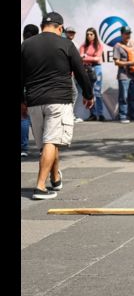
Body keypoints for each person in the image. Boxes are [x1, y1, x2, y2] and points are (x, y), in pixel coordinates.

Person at [21, 12, 94, 200]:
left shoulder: (26, 45)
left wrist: (22, 101)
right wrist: (88, 94)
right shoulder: (66, 44)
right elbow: (80, 72)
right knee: (52, 141)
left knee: (48, 142)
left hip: (35, 102)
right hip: (58, 99)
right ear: (60, 28)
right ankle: (40, 187)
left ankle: (55, 178)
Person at [113, 25, 134, 123]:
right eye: (126, 33)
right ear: (122, 34)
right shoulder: (117, 46)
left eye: (129, 33)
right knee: (124, 96)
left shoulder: (133, 43)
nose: (128, 35)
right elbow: (116, 62)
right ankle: (123, 116)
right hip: (123, 75)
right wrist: (130, 63)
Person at [21, 24, 39, 157]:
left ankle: (24, 148)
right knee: (39, 119)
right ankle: (44, 148)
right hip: (39, 89)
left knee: (24, 118)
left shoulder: (22, 48)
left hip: (25, 88)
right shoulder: (41, 50)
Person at [79, 27, 104, 121]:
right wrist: (90, 57)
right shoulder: (83, 45)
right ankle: (93, 114)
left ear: (95, 35)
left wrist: (86, 56)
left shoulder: (98, 45)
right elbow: (81, 57)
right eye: (87, 34)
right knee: (90, 91)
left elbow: (97, 59)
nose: (89, 36)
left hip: (96, 68)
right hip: (87, 69)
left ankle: (100, 114)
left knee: (97, 91)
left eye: (91, 34)